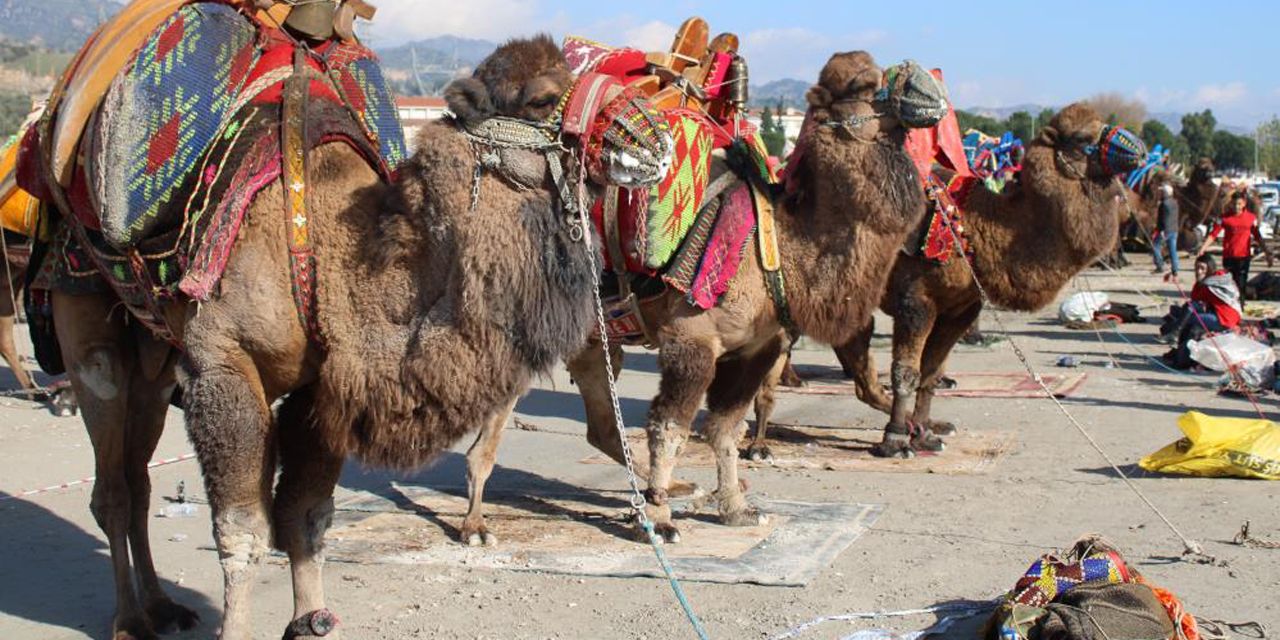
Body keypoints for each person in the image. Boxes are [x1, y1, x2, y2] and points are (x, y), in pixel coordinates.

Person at [1161, 255, 1242, 367]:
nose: (1199, 271)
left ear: (1210, 268)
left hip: (1224, 319)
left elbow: (1221, 283)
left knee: (1190, 321)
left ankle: (1180, 354)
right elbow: (1195, 300)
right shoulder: (1202, 283)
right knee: (1185, 312)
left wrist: (1202, 284)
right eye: (1197, 268)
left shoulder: (1217, 278)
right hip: (1215, 314)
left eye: (1203, 268)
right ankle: (1179, 351)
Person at [1198, 191, 1274, 294]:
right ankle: (1230, 307)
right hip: (1229, 257)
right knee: (1229, 285)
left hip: (1243, 257)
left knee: (1241, 285)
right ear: (1231, 203)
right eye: (1234, 204)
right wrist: (1203, 248)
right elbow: (1213, 234)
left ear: (1244, 203)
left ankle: (1240, 307)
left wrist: (1267, 253)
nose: (1236, 207)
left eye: (1239, 204)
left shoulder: (1251, 218)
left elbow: (1258, 237)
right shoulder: (1224, 218)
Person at [1150, 182, 1179, 281]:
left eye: (1162, 192)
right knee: (1173, 250)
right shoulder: (1175, 202)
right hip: (1174, 229)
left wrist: (1161, 230)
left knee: (1155, 246)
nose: (1161, 193)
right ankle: (1175, 269)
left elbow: (1164, 218)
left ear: (1165, 193)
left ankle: (1159, 265)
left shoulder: (1163, 204)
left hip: (1166, 230)